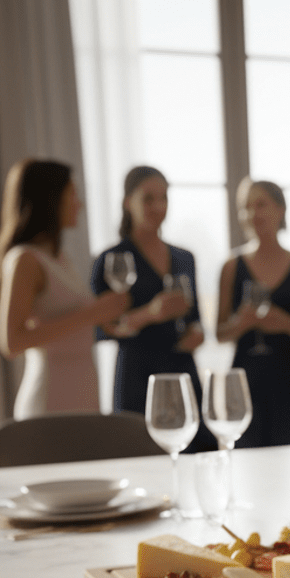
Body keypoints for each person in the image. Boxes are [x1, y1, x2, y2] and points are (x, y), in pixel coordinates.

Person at [90, 165, 214, 449]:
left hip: (182, 370)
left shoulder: (184, 258)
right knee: (139, 454)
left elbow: (194, 318)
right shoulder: (111, 259)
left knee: (196, 452)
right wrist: (150, 314)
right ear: (127, 202)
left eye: (163, 198)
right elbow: (102, 329)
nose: (158, 207)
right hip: (138, 375)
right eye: (148, 198)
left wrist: (197, 334)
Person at [0, 159, 130, 419]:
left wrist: (104, 317)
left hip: (81, 397)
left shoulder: (59, 259)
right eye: (73, 195)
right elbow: (12, 342)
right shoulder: (25, 260)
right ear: (50, 200)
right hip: (50, 401)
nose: (79, 204)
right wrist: (92, 314)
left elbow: (70, 325)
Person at [216, 178, 290, 447]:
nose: (253, 213)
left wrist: (286, 323)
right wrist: (241, 323)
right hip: (245, 382)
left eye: (261, 204)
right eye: (246, 207)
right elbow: (219, 334)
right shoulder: (230, 267)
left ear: (280, 209)